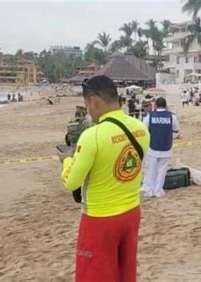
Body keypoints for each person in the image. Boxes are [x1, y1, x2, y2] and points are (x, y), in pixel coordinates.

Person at [59, 75, 150, 281]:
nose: (88, 110)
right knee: (125, 272)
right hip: (131, 211)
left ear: (93, 101)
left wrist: (66, 161)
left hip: (100, 218)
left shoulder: (93, 135)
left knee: (94, 274)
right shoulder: (141, 128)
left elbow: (71, 182)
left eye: (87, 104)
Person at [141, 97, 180, 198]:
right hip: (166, 147)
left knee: (151, 169)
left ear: (156, 105)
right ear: (165, 105)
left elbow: (144, 130)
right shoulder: (172, 116)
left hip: (152, 146)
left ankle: (149, 190)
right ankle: (158, 190)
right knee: (162, 170)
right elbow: (176, 129)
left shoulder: (150, 116)